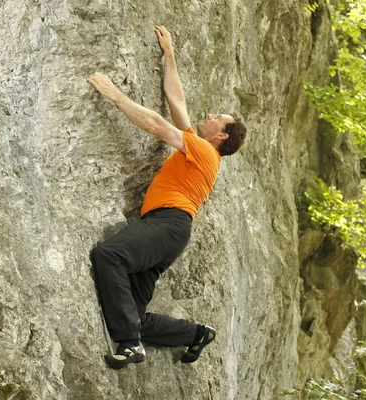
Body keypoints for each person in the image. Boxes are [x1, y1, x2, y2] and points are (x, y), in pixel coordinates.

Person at [87, 25, 247, 370]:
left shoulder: (204, 151)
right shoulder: (200, 147)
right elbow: (177, 101)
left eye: (216, 118)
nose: (208, 115)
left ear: (221, 136)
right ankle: (194, 334)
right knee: (134, 313)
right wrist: (169, 55)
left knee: (108, 255)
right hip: (168, 231)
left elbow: (159, 125)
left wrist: (115, 94)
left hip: (167, 224)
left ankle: (130, 345)